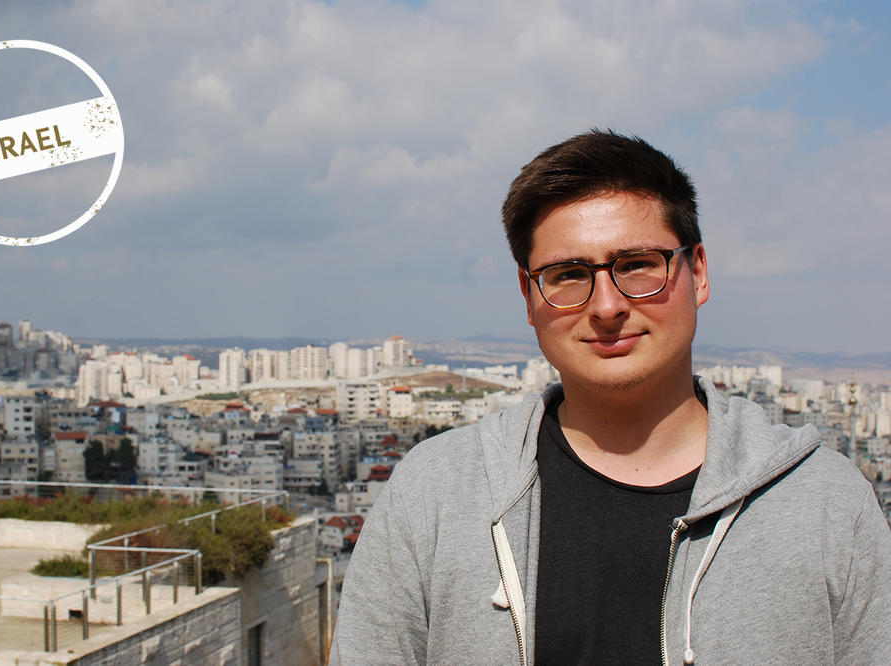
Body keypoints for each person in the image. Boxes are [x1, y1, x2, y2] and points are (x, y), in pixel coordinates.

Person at [329, 130, 891, 665]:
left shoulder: (825, 505)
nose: (605, 306)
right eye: (569, 274)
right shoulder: (435, 497)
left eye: (637, 265)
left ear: (697, 272)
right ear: (529, 298)